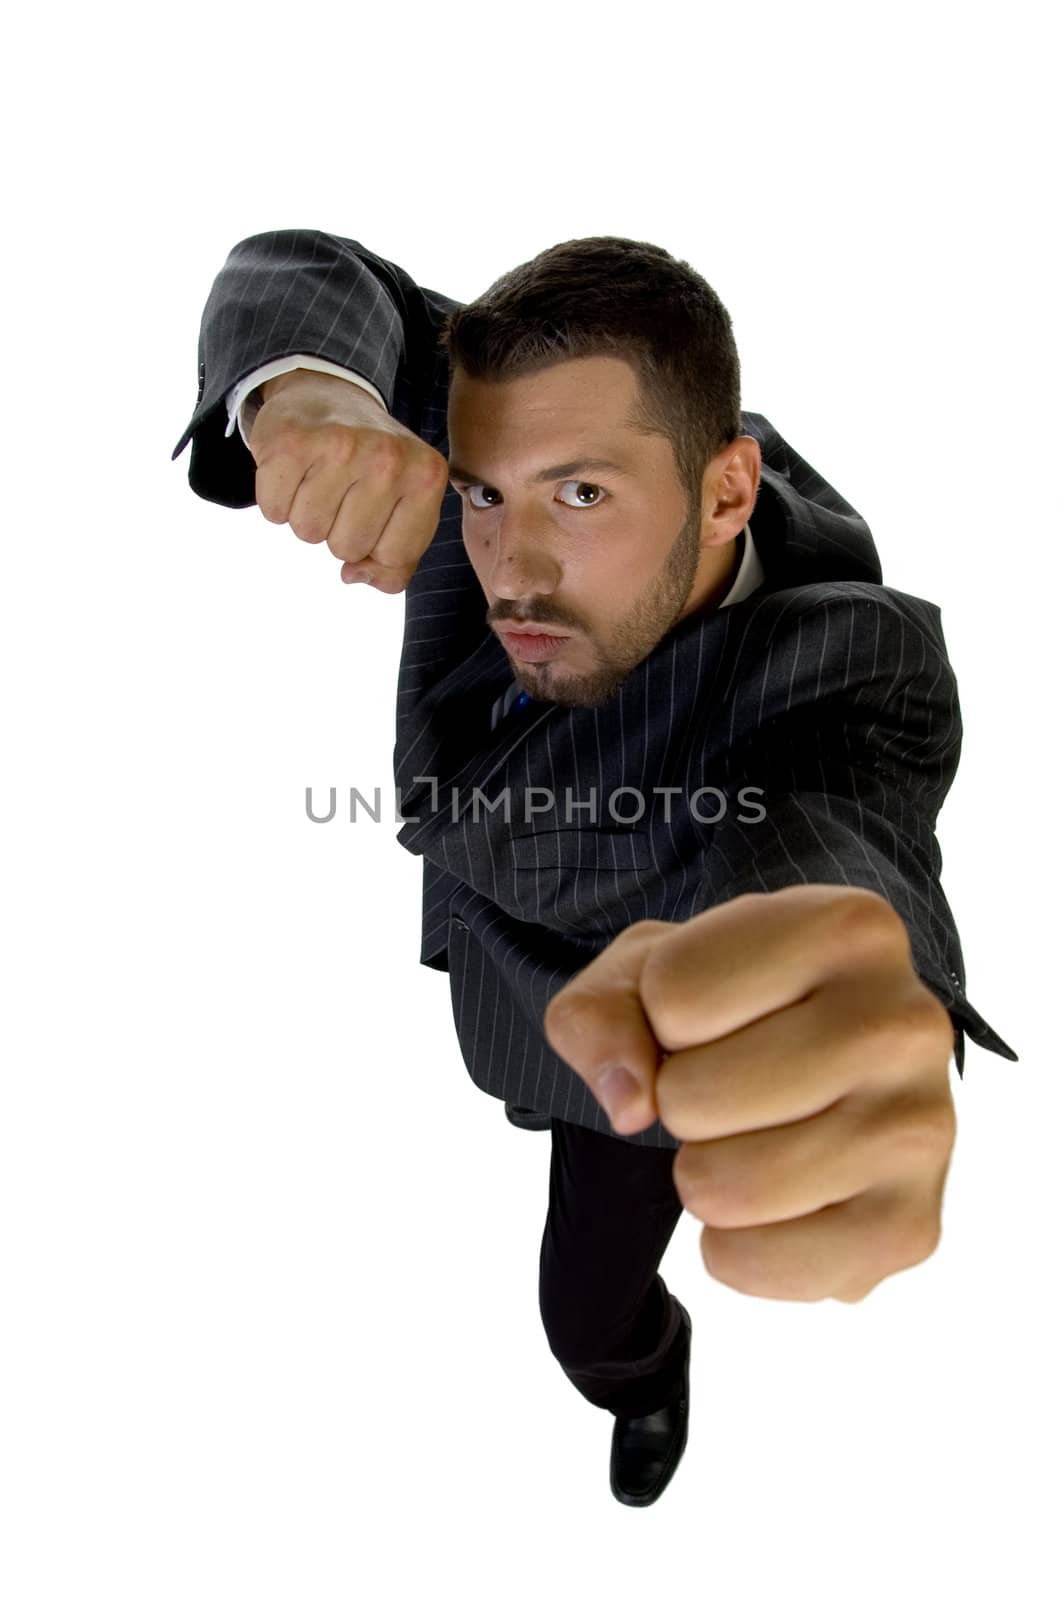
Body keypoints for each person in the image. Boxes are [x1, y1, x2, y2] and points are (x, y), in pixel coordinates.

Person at [172, 229, 1017, 1507]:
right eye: (484, 494)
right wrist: (312, 394)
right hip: (503, 974)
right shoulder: (520, 426)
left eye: (579, 497)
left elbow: (833, 847)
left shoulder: (843, 679)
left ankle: (646, 1372)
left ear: (727, 493)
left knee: (581, 1315)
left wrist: (845, 979)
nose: (508, 570)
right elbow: (296, 272)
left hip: (633, 1067)